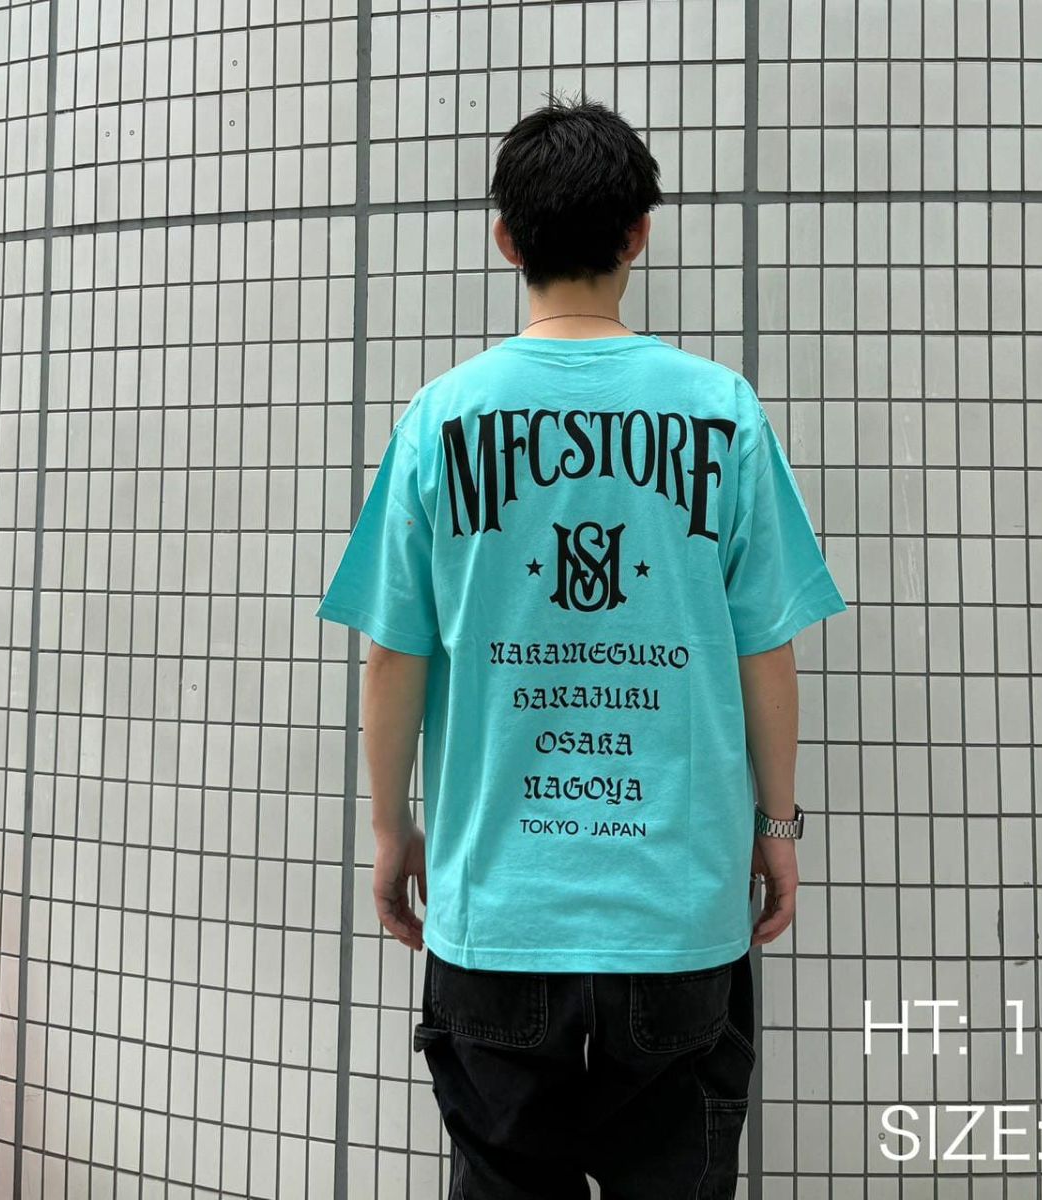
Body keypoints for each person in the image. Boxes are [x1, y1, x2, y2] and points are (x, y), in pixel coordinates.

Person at [315, 92, 847, 1200]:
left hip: (498, 916)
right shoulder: (723, 413)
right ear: (639, 234)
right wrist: (776, 827)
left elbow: (394, 654)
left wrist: (391, 831)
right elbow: (765, 649)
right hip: (679, 916)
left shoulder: (441, 419)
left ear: (506, 240)